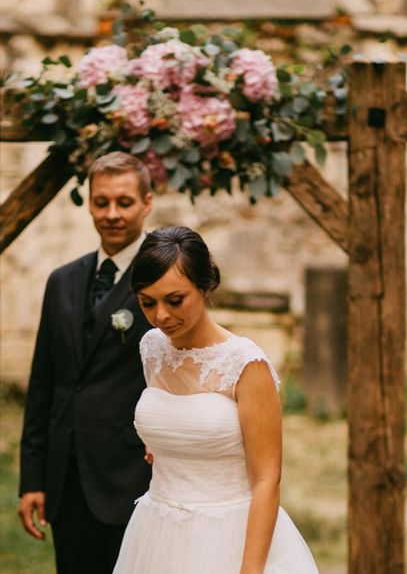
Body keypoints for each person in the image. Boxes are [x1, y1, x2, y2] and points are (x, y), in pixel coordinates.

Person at [113, 226, 319, 574]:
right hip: (158, 530)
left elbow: (267, 479)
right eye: (148, 302)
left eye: (175, 300)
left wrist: (250, 570)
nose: (161, 315)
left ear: (205, 286)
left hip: (228, 536)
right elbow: (168, 423)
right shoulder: (151, 348)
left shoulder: (245, 364)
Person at [18, 152, 154, 573]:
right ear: (90, 203)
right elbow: (44, 383)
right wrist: (33, 479)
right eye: (101, 202)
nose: (111, 214)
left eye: (124, 202)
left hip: (133, 477)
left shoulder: (164, 279)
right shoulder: (62, 281)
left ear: (147, 203)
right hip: (67, 479)